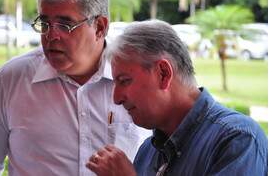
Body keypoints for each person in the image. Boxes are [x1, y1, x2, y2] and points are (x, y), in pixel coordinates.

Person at [0, 0, 149, 176]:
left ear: (99, 27)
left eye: (64, 24)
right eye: (44, 23)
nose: (51, 35)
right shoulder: (11, 79)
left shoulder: (139, 80)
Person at [86, 20, 268, 176]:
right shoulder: (148, 151)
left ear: (163, 73)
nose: (116, 98)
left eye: (124, 81)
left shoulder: (237, 140)